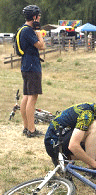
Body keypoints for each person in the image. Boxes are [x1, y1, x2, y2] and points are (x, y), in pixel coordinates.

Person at [44, 90, 96, 170]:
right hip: (54, 144)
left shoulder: (93, 111)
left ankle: (67, 160)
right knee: (95, 125)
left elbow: (87, 143)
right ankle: (91, 171)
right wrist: (95, 165)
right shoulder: (87, 115)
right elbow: (73, 146)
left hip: (63, 139)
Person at [19, 5, 45, 138]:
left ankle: (26, 127)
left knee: (27, 96)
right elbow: (41, 46)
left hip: (25, 65)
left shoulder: (22, 29)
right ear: (34, 17)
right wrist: (38, 31)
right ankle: (32, 130)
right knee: (33, 98)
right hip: (32, 66)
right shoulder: (28, 31)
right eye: (38, 15)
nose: (39, 17)